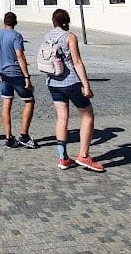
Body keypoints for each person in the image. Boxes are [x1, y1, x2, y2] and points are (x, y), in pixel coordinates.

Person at [44, 9, 104, 172]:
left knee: (62, 118)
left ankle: (63, 158)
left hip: (53, 81)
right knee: (87, 115)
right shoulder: (70, 37)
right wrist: (86, 85)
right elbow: (77, 62)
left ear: (53, 21)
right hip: (70, 82)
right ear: (67, 21)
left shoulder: (47, 36)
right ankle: (84, 156)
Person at [0, 12, 37, 149]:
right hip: (16, 73)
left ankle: (8, 138)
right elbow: (19, 55)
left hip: (3, 74)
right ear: (15, 22)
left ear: (4, 22)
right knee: (29, 101)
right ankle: (24, 135)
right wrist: (26, 76)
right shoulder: (16, 36)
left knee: (6, 104)